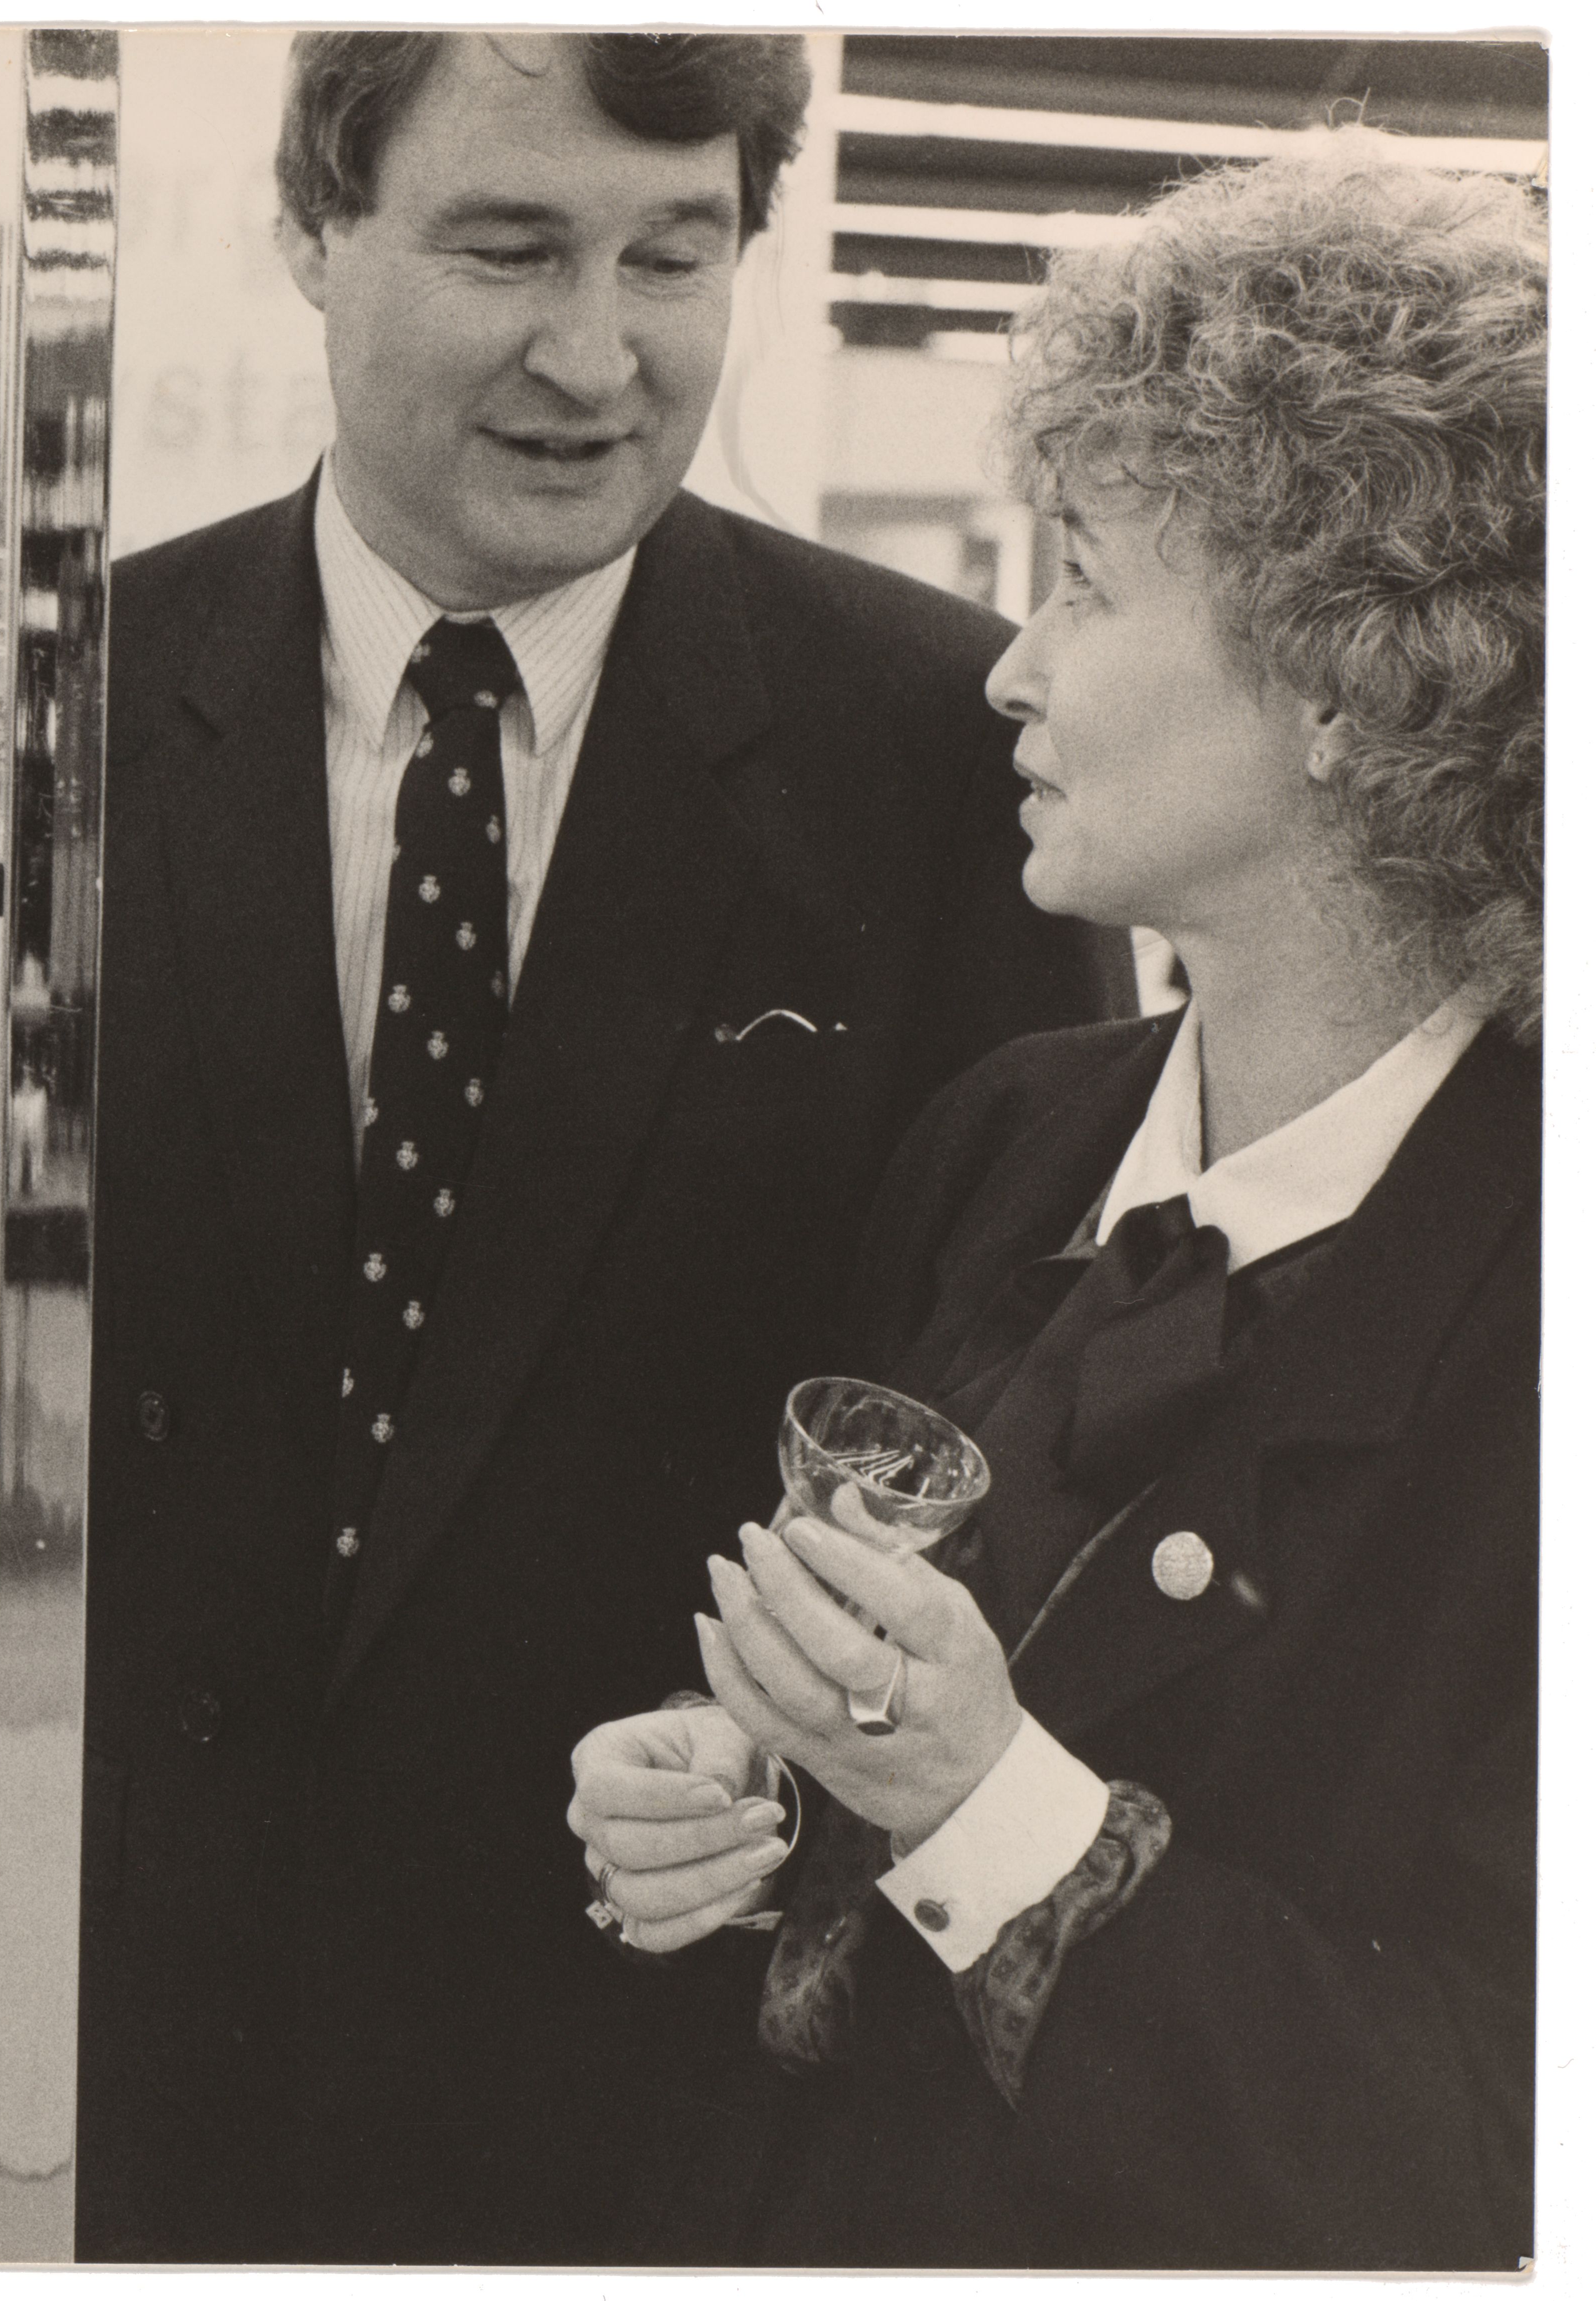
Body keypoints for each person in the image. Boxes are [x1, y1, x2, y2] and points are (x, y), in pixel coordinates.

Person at [0, 30, 1121, 2264]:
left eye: (671, 257)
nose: (595, 355)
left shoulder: (932, 742)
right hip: (128, 2083)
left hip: (677, 2112)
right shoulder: (47, 704)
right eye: (508, 248)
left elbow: (1006, 1453)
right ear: (312, 230)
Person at [566, 136, 1539, 2269]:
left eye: (1087, 577)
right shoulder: (1011, 1132)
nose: (1011, 667)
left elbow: (1500, 2172)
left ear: (1351, 689)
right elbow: (874, 1786)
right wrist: (733, 1805)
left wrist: (986, 1803)